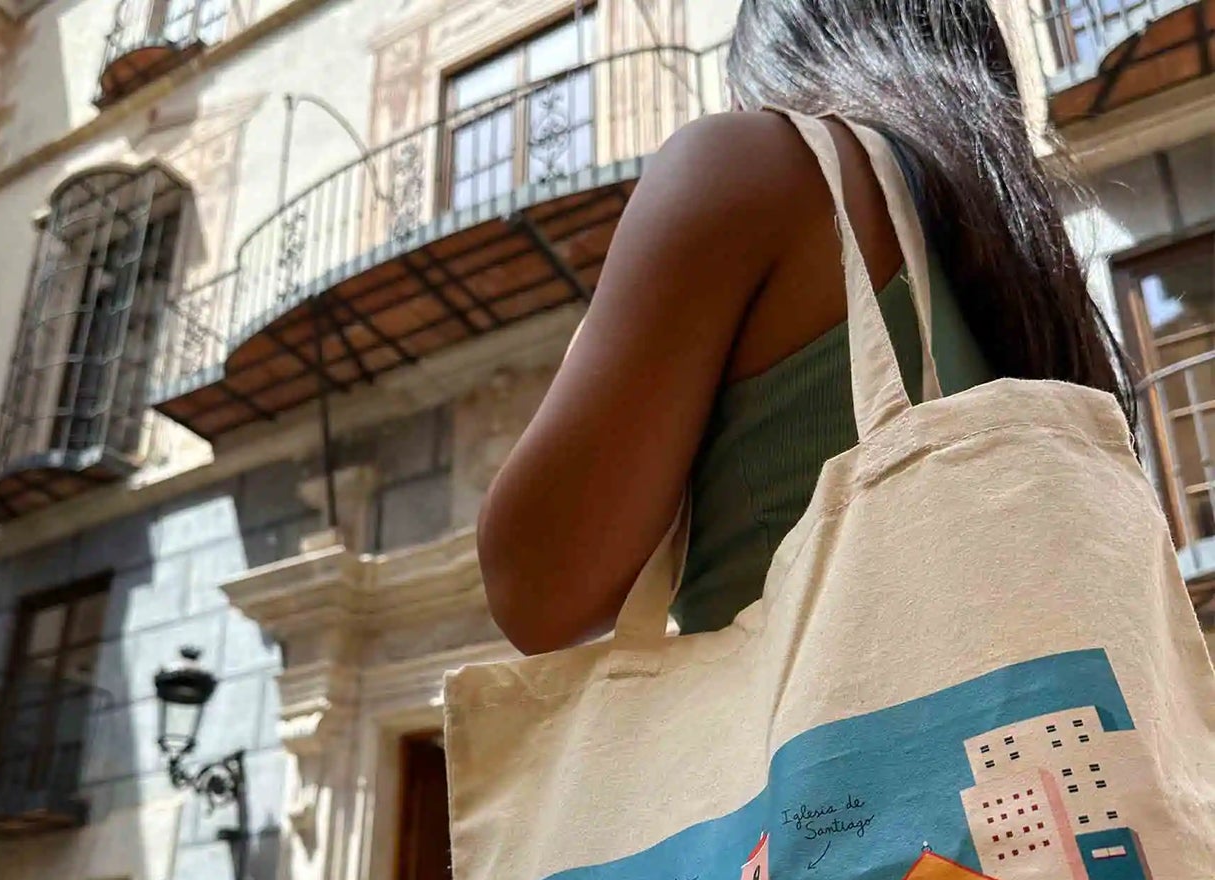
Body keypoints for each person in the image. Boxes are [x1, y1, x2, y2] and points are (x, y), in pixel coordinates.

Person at [476, 0, 1133, 655]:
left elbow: (534, 593)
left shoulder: (751, 162)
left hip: (812, 748)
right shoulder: (1027, 281)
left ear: (768, 71)